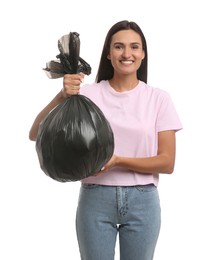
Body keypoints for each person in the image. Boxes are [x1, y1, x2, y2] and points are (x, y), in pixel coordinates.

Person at [29, 20, 182, 260]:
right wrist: (61, 96)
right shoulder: (87, 94)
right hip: (95, 198)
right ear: (108, 54)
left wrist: (118, 160)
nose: (127, 53)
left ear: (143, 53)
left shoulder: (158, 99)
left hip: (143, 201)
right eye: (119, 47)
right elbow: (36, 133)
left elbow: (167, 162)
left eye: (134, 47)